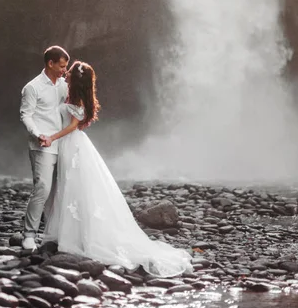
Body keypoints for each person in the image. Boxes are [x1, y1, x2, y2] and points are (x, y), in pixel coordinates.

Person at [41, 61, 192, 277]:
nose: (65, 75)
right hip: (73, 145)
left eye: (69, 73)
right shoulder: (73, 94)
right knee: (73, 187)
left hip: (71, 143)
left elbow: (73, 124)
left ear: (75, 79)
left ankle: (75, 237)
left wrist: (52, 136)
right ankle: (70, 233)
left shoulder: (76, 99)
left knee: (75, 188)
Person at [20, 45, 69, 251]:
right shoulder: (32, 87)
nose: (64, 70)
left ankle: (52, 234)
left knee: (59, 190)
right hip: (42, 144)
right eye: (61, 66)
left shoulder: (63, 85)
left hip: (63, 142)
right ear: (50, 63)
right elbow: (26, 114)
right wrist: (38, 134)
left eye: (66, 67)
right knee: (43, 188)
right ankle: (29, 235)